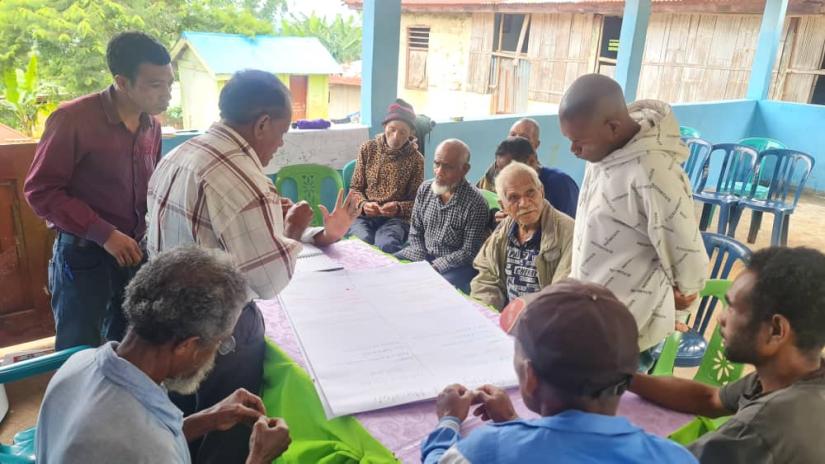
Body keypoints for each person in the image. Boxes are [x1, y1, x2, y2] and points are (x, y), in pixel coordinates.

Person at [146, 70, 358, 463]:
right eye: (281, 132)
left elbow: (233, 233)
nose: (279, 144)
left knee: (185, 425)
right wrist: (292, 233)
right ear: (262, 123)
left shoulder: (179, 156)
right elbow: (268, 280)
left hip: (167, 324)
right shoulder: (243, 178)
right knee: (227, 432)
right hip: (217, 334)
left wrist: (314, 234)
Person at [36, 246, 292, 464]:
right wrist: (258, 457)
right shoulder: (154, 451)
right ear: (187, 346)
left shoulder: (79, 364)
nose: (216, 352)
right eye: (218, 343)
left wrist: (209, 417)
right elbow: (142, 444)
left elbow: (134, 434)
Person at [421, 280, 697, 463]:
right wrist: (514, 420)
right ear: (629, 373)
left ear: (530, 379)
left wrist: (448, 421)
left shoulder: (488, 449)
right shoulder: (674, 457)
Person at [23, 32, 174, 349]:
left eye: (170, 84)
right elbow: (40, 190)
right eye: (155, 85)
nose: (167, 95)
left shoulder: (153, 126)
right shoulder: (73, 119)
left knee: (130, 342)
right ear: (122, 82)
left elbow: (153, 186)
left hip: (135, 251)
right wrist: (105, 234)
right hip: (84, 254)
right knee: (80, 347)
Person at [559, 74, 708, 370]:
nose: (573, 151)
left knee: (609, 408)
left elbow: (689, 259)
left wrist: (677, 313)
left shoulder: (654, 174)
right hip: (593, 321)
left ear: (613, 127)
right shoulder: (602, 153)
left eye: (579, 142)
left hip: (629, 332)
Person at [631, 247, 825, 463]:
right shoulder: (796, 376)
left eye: (732, 308)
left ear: (776, 330)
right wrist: (624, 377)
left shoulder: (759, 428)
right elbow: (710, 399)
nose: (721, 318)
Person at [470, 162, 573, 310]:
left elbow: (562, 295)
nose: (524, 203)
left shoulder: (569, 232)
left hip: (547, 320)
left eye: (530, 193)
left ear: (541, 192)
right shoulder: (503, 231)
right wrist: (486, 314)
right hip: (508, 318)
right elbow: (487, 278)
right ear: (502, 205)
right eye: (513, 197)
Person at [395, 139, 489, 293]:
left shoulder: (475, 203)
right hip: (422, 255)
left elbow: (469, 252)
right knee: (387, 268)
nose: (439, 172)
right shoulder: (425, 189)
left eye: (448, 167)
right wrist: (421, 260)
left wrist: (435, 266)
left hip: (455, 266)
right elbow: (415, 231)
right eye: (436, 164)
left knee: (432, 289)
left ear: (465, 169)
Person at [348, 98, 424, 253]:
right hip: (364, 215)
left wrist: (397, 208)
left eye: (403, 132)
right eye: (392, 129)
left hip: (396, 220)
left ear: (411, 133)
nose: (396, 136)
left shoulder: (416, 159)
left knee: (386, 245)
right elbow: (355, 189)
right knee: (363, 243)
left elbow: (417, 202)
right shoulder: (368, 149)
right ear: (384, 127)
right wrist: (364, 205)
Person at [477, 118, 579, 218]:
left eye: (524, 137)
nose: (516, 139)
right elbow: (482, 198)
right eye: (512, 135)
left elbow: (569, 226)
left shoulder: (560, 183)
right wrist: (496, 218)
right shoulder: (497, 169)